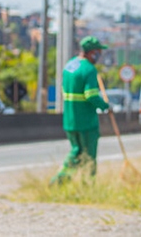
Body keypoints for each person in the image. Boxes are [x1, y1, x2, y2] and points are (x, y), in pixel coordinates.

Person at [51, 36, 110, 184]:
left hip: (70, 120)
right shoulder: (89, 69)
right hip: (86, 121)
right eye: (98, 52)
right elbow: (91, 95)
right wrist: (105, 106)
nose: (99, 56)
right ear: (91, 53)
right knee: (88, 156)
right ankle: (87, 184)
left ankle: (62, 179)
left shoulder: (69, 66)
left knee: (76, 152)